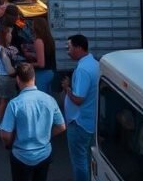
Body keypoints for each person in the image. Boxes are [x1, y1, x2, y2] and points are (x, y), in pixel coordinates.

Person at [0, 63, 66, 181]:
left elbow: (5, 135)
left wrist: (9, 143)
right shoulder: (49, 100)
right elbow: (61, 126)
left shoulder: (14, 104)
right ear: (34, 78)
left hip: (21, 156)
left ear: (18, 79)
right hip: (44, 154)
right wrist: (46, 136)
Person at [62, 34, 100, 181]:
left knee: (79, 161)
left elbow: (78, 99)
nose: (68, 51)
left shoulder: (82, 70)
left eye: (69, 47)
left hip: (79, 123)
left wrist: (67, 89)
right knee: (89, 158)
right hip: (90, 121)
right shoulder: (94, 64)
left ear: (78, 48)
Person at [29, 17, 57, 94]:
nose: (32, 27)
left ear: (37, 27)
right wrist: (33, 55)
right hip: (51, 72)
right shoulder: (49, 39)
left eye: (33, 25)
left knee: (41, 98)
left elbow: (41, 64)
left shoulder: (38, 41)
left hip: (42, 74)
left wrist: (28, 65)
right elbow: (46, 54)